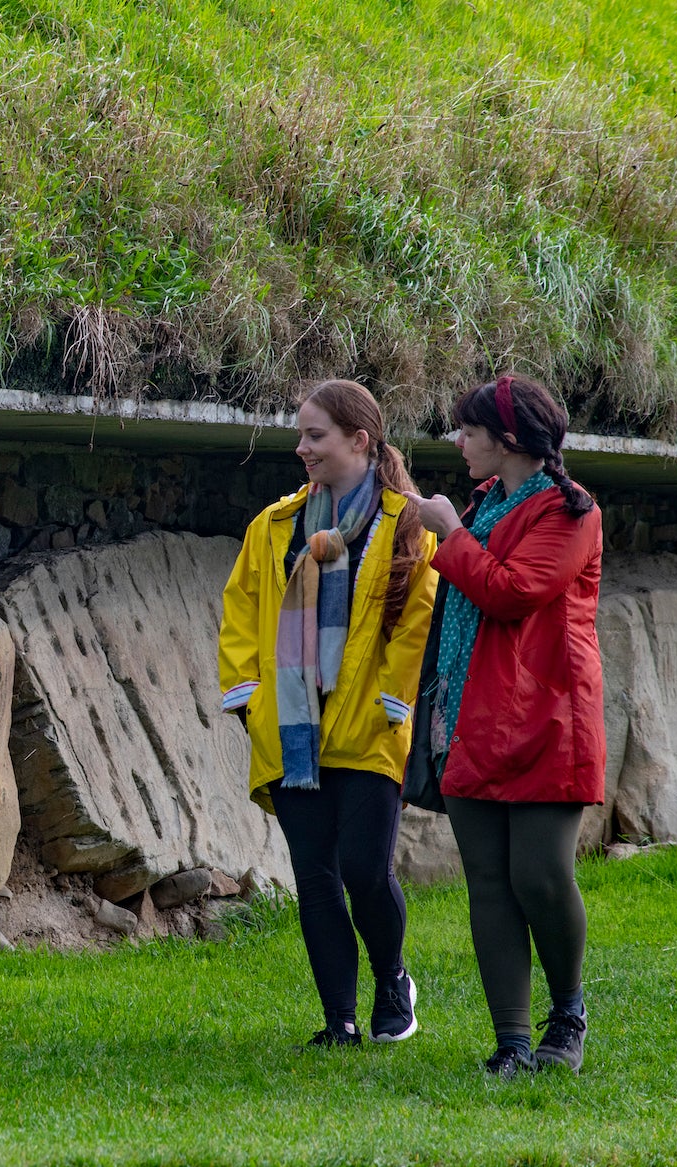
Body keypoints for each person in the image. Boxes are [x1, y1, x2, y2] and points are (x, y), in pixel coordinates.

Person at [219, 379, 439, 1048]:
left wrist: (392, 700)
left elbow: (417, 619)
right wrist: (248, 698)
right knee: (315, 879)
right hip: (291, 730)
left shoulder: (407, 520)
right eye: (301, 433)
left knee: (366, 871)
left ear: (359, 440)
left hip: (369, 727)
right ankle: (339, 1020)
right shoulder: (274, 525)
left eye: (315, 434)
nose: (301, 446)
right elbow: (240, 613)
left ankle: (392, 978)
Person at [405, 372, 606, 1079]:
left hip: (548, 718)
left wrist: (451, 534)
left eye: (470, 430)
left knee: (540, 875)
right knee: (489, 880)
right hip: (467, 716)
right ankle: (513, 1042)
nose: (459, 442)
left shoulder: (572, 512)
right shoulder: (486, 501)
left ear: (510, 437)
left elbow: (512, 592)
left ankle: (569, 1013)